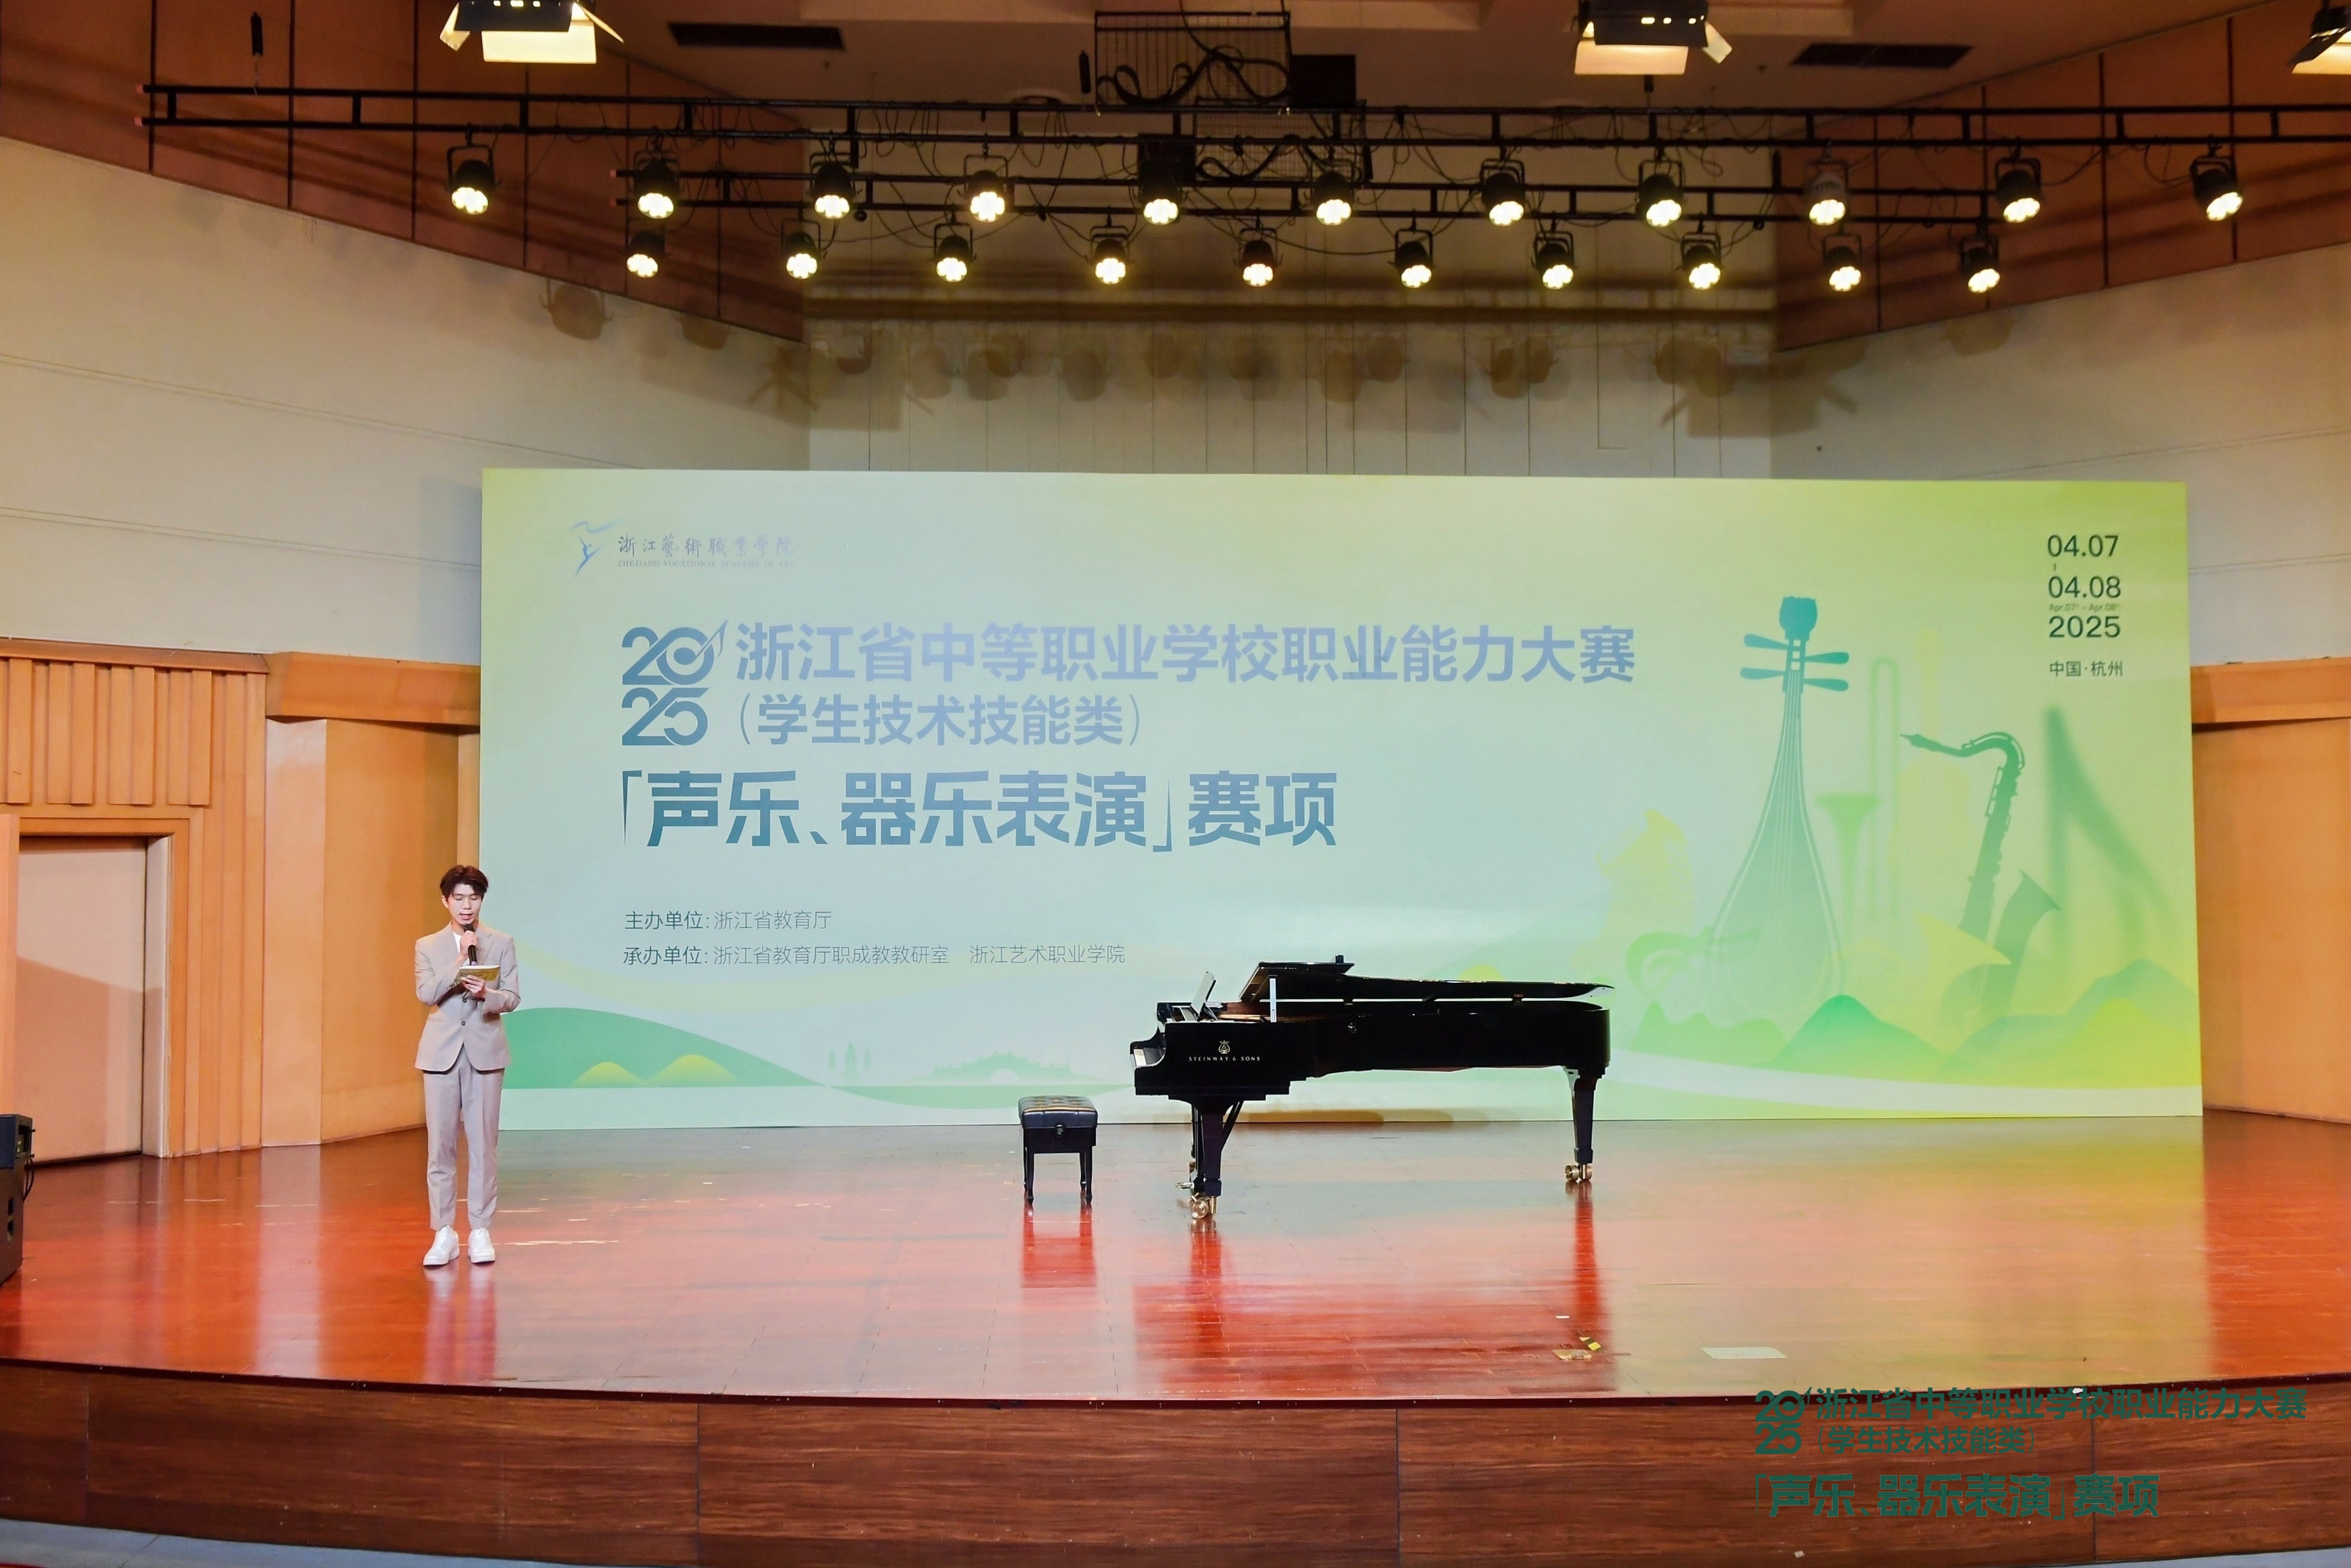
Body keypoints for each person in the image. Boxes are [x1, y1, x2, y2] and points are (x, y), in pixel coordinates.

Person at [413, 864, 519, 1267]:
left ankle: (480, 1230)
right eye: (458, 898)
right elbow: (426, 993)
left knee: (483, 1146)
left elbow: (512, 997)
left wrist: (487, 993)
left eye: (473, 898)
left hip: (485, 1052)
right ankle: (443, 1232)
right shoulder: (428, 945)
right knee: (440, 1147)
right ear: (446, 901)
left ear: (481, 900)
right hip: (440, 1054)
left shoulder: (501, 942)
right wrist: (459, 961)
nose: (466, 906)